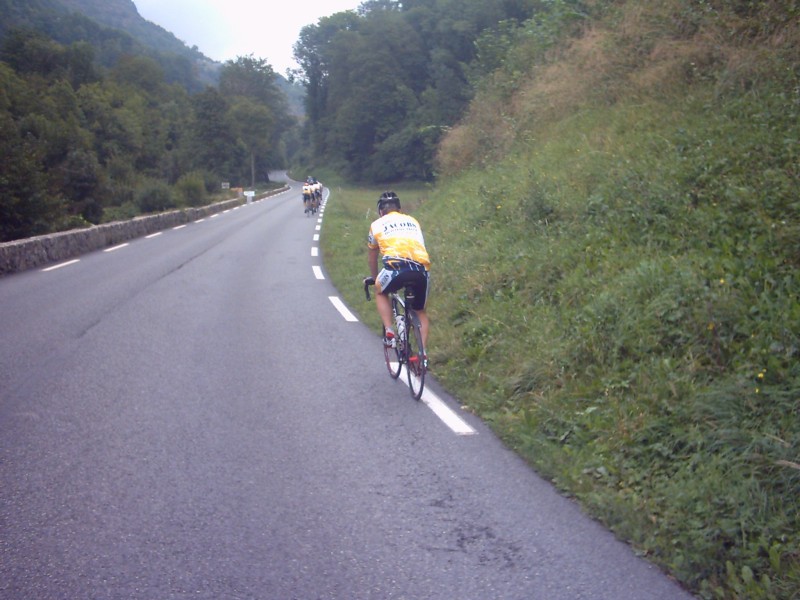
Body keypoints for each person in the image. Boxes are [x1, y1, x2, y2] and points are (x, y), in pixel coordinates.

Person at [366, 191, 431, 351]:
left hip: (395, 268)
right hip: (420, 269)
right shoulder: (413, 221)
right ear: (399, 210)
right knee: (420, 311)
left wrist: (375, 279)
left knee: (380, 291)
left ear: (381, 212)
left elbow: (372, 258)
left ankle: (389, 332)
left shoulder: (376, 225)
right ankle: (422, 354)